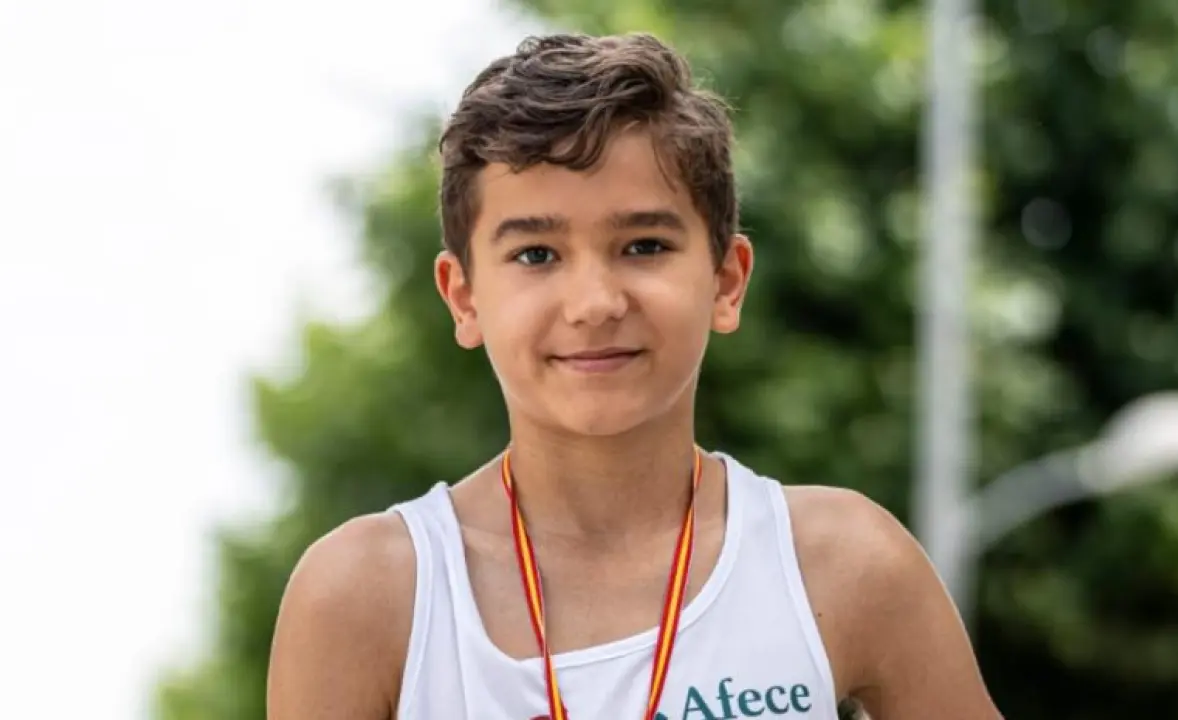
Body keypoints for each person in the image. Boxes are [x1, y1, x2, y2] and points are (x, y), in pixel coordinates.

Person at [266, 32, 1002, 720]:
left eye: (644, 245)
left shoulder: (842, 564)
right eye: (536, 255)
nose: (595, 303)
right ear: (463, 297)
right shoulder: (370, 596)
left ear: (726, 281)